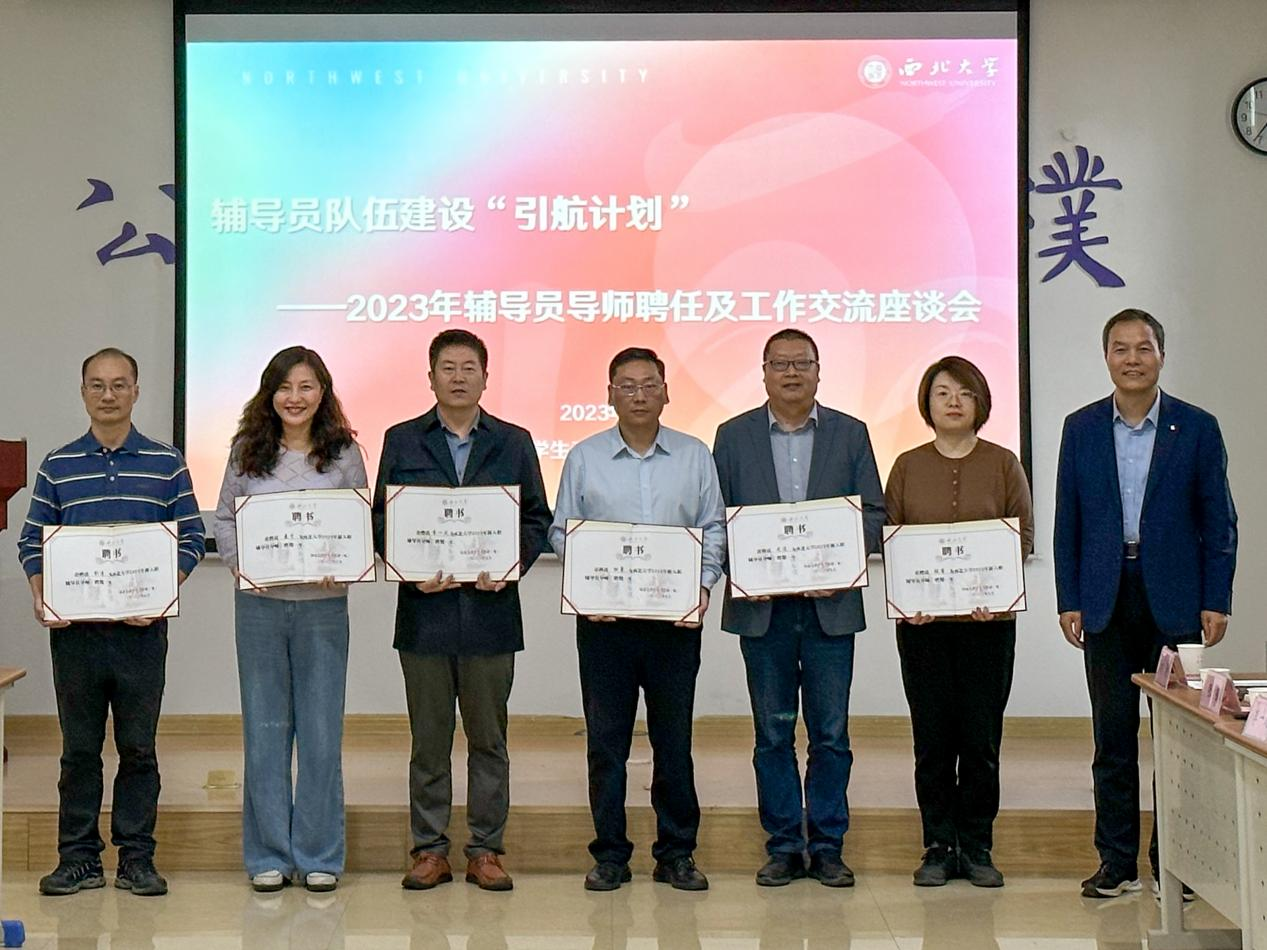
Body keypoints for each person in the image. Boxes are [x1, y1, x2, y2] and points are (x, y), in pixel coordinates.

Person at [1054, 308, 1236, 898]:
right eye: (1120, 348)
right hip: (1105, 598)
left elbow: (1219, 521)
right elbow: (1067, 522)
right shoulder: (1081, 428)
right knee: (1112, 738)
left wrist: (1216, 598)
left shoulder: (1197, 427)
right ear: (1106, 356)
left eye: (1143, 348)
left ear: (1161, 355)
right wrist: (1069, 598)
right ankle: (1117, 863)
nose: (1132, 359)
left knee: (1177, 741)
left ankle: (1174, 865)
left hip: (1176, 603)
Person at [18, 347, 205, 897]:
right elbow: (32, 540)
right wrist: (41, 594)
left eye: (119, 384)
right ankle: (77, 858)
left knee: (138, 748)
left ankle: (136, 859)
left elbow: (192, 536)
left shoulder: (167, 463)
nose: (108, 395)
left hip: (141, 633)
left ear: (136, 392)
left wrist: (164, 590)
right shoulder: (57, 465)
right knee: (78, 750)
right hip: (75, 634)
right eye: (97, 385)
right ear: (83, 393)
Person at [372, 329, 551, 893]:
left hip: (491, 615)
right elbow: (381, 519)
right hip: (423, 616)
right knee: (428, 743)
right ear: (430, 378)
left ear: (485, 377)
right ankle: (429, 850)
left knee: (488, 741)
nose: (458, 377)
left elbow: (536, 519)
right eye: (447, 367)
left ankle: (486, 850)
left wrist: (510, 564)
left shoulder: (514, 442)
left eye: (468, 367)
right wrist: (407, 566)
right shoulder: (402, 440)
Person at [711, 329, 884, 888]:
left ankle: (828, 846)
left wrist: (839, 562)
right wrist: (744, 570)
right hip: (764, 611)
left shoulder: (851, 433)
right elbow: (717, 518)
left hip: (830, 609)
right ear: (763, 372)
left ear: (818, 370)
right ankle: (784, 844)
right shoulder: (732, 436)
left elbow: (873, 514)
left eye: (801, 363)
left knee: (831, 734)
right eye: (780, 364)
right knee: (772, 734)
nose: (791, 373)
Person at [549, 347, 725, 892]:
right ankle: (610, 854)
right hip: (605, 625)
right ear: (609, 395)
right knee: (607, 744)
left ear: (667, 392)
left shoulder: (695, 455)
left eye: (650, 384)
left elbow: (713, 527)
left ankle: (677, 852)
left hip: (675, 624)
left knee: (674, 742)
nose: (639, 395)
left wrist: (701, 587)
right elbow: (561, 531)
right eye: (627, 385)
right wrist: (585, 586)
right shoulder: (584, 457)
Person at [212, 346, 366, 894]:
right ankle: (269, 855)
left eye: (306, 387)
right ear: (269, 393)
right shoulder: (246, 450)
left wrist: (343, 566)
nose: (294, 398)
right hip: (259, 607)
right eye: (284, 387)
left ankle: (320, 853)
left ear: (323, 393)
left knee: (322, 734)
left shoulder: (344, 453)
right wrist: (242, 566)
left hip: (322, 608)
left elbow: (358, 524)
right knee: (265, 731)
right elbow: (224, 520)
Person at [884, 356, 1034, 888]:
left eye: (965, 393)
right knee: (932, 739)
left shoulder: (1003, 463)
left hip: (987, 625)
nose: (953, 402)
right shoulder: (906, 465)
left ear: (980, 403)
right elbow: (893, 537)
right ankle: (937, 846)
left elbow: (1022, 537)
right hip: (923, 627)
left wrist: (994, 589)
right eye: (943, 392)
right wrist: (909, 595)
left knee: (980, 739)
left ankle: (977, 846)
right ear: (927, 402)